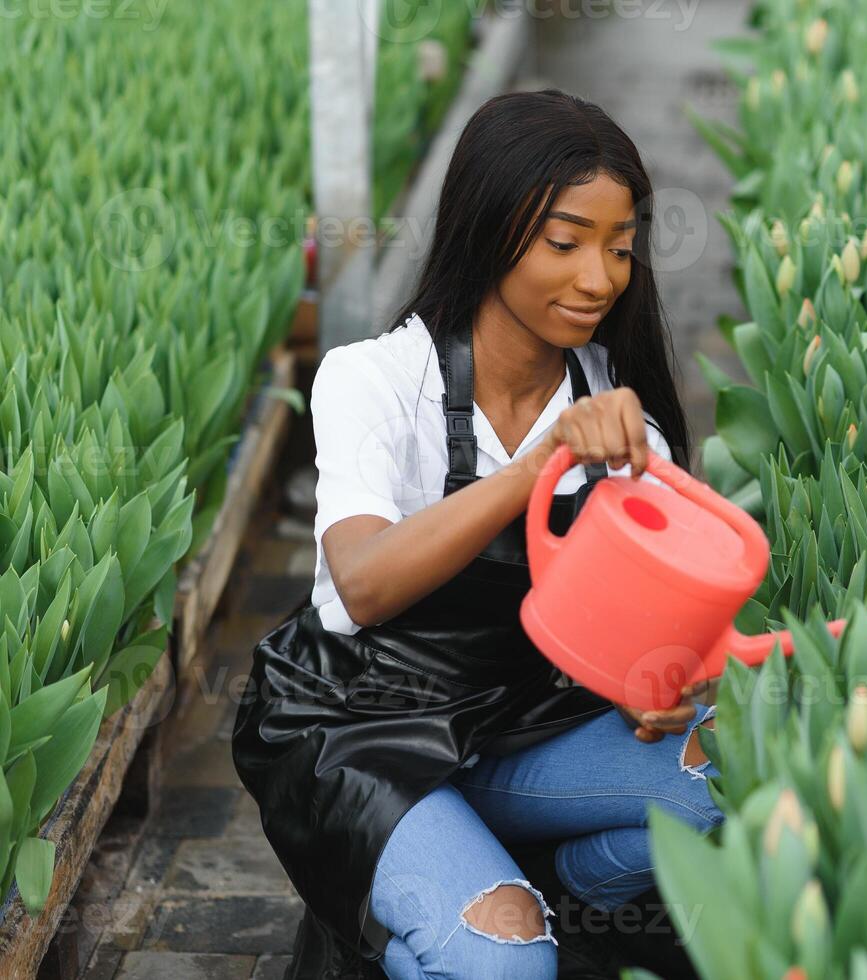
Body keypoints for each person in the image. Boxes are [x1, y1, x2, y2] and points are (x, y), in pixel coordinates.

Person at [232, 89, 723, 980]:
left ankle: (517, 886)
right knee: (507, 966)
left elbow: (632, 632)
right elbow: (367, 581)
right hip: (361, 731)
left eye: (619, 250)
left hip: (519, 729)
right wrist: (534, 471)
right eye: (565, 244)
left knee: (730, 770)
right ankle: (469, 909)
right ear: (488, 230)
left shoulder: (621, 424)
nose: (599, 280)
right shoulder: (374, 381)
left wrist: (655, 681)